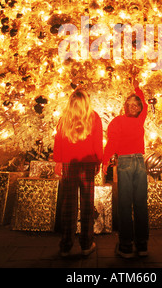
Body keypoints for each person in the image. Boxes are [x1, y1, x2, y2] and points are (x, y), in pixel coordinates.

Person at [53, 89, 103, 257]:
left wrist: (58, 162)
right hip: (87, 164)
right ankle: (86, 244)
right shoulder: (94, 117)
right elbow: (97, 143)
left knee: (68, 205)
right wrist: (99, 161)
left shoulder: (63, 119)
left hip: (69, 164)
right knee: (87, 205)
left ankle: (66, 246)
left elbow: (58, 141)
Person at [103, 79, 149, 258]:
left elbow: (112, 143)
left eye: (134, 105)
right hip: (139, 162)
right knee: (140, 204)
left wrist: (105, 160)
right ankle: (142, 245)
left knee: (124, 204)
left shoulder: (117, 121)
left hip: (125, 163)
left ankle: (126, 246)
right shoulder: (140, 120)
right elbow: (144, 104)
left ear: (125, 107)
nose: (134, 107)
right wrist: (137, 87)